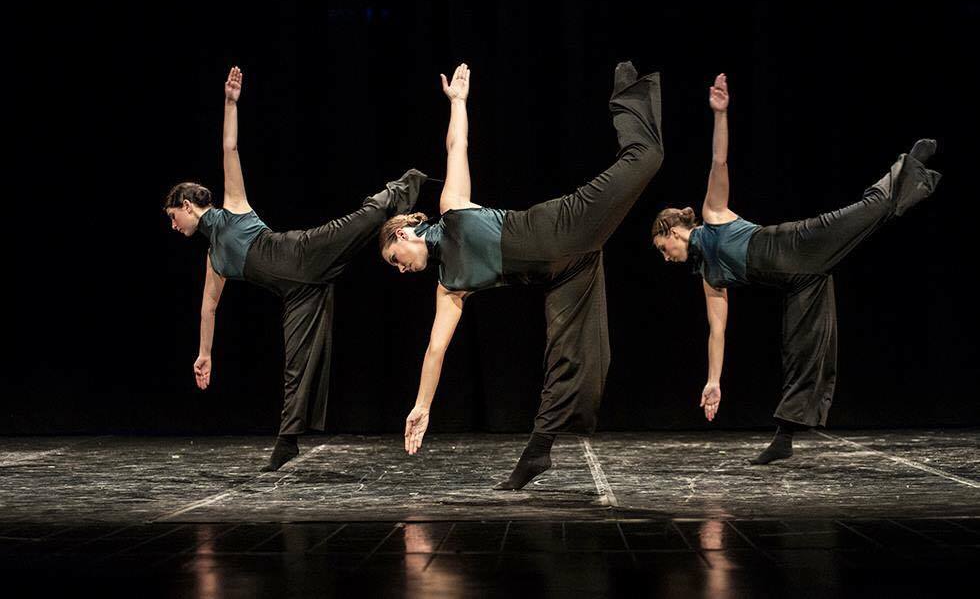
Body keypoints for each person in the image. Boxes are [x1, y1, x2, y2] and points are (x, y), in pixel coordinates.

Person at [381, 62, 663, 489]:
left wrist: (458, 102)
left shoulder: (452, 208)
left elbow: (457, 145)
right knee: (566, 360)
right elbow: (435, 351)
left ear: (401, 232)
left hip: (563, 227)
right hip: (567, 271)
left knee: (647, 157)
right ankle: (537, 454)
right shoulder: (449, 286)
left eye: (394, 258)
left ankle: (627, 94)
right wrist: (422, 406)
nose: (401, 269)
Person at [651, 73, 941, 464]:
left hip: (797, 243)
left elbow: (719, 161)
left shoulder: (713, 216)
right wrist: (713, 381)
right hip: (800, 284)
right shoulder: (709, 277)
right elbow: (716, 331)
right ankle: (784, 438)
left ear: (672, 230)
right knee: (801, 354)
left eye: (662, 247)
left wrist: (720, 114)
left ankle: (907, 166)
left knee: (861, 214)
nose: (665, 256)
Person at [165, 66, 427, 471]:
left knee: (364, 218)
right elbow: (208, 309)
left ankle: (410, 182)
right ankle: (287, 441)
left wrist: (230, 104)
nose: (173, 226)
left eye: (172, 217)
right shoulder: (213, 258)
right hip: (297, 294)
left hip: (303, 253)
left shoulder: (232, 209)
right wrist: (204, 354)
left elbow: (229, 149)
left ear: (186, 206)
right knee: (296, 363)